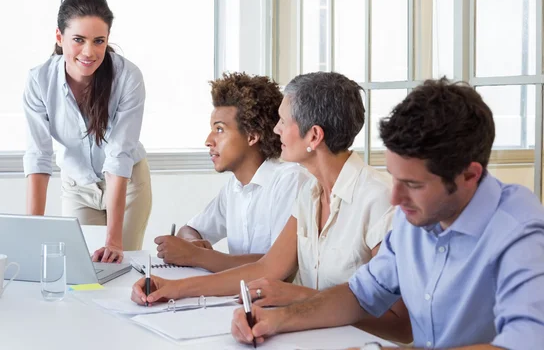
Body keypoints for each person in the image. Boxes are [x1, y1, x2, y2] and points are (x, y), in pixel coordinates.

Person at [231, 78, 544, 350]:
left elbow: (525, 344)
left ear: (469, 175)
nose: (395, 197)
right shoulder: (416, 218)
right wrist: (277, 318)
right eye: (395, 178)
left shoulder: (520, 232)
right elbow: (360, 294)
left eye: (412, 184)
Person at [132, 72, 412, 344]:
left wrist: (296, 299)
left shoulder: (381, 199)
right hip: (313, 338)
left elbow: (401, 326)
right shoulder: (310, 192)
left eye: (282, 121)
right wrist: (173, 288)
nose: (275, 129)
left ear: (313, 136)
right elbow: (266, 268)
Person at [23, 0, 152, 264]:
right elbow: (39, 156)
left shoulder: (128, 77)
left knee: (119, 265)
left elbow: (119, 156)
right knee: (80, 268)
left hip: (127, 184)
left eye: (99, 41)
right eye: (78, 40)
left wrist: (114, 240)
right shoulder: (39, 81)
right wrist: (32, 232)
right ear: (59, 37)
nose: (89, 52)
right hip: (78, 186)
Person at [153, 72, 308, 273]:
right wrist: (193, 243)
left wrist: (199, 256)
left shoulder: (289, 181)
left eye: (219, 130)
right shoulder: (234, 188)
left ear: (252, 136)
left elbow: (278, 265)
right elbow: (190, 229)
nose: (208, 140)